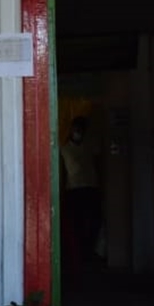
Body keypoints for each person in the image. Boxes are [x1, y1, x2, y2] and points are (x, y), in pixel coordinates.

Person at [60, 115, 102, 271]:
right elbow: (63, 173)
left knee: (93, 222)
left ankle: (88, 253)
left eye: (80, 129)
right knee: (76, 224)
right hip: (74, 190)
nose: (77, 132)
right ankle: (77, 256)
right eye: (75, 129)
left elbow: (98, 165)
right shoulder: (64, 149)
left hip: (91, 188)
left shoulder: (90, 146)